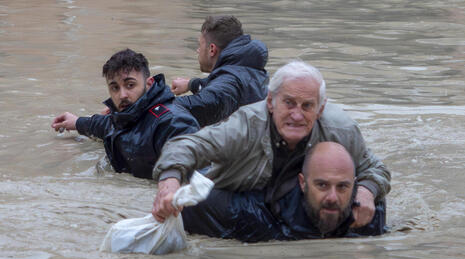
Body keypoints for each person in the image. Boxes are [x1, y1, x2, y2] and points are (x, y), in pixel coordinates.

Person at [151, 60, 390, 233]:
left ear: (321, 109)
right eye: (289, 103)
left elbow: (375, 169)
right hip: (242, 195)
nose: (297, 115)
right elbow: (186, 146)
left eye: (307, 106)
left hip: (295, 200)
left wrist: (367, 191)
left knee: (374, 209)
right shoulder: (245, 126)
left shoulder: (342, 131)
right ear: (270, 102)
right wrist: (169, 183)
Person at [181, 142, 387, 242]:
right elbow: (191, 200)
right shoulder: (253, 213)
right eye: (322, 185)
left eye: (342, 187)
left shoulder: (367, 214)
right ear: (303, 183)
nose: (333, 197)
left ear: (354, 184)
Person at [51, 48, 200, 179]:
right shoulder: (125, 116)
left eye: (130, 85)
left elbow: (197, 171)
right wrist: (77, 122)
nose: (122, 95)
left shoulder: (172, 122)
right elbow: (105, 125)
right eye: (115, 88)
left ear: (148, 84)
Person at [171, 15, 269, 127]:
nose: (198, 50)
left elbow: (208, 102)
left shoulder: (229, 82)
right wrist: (191, 84)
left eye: (200, 45)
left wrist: (156, 103)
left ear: (212, 49)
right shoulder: (249, 69)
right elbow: (221, 87)